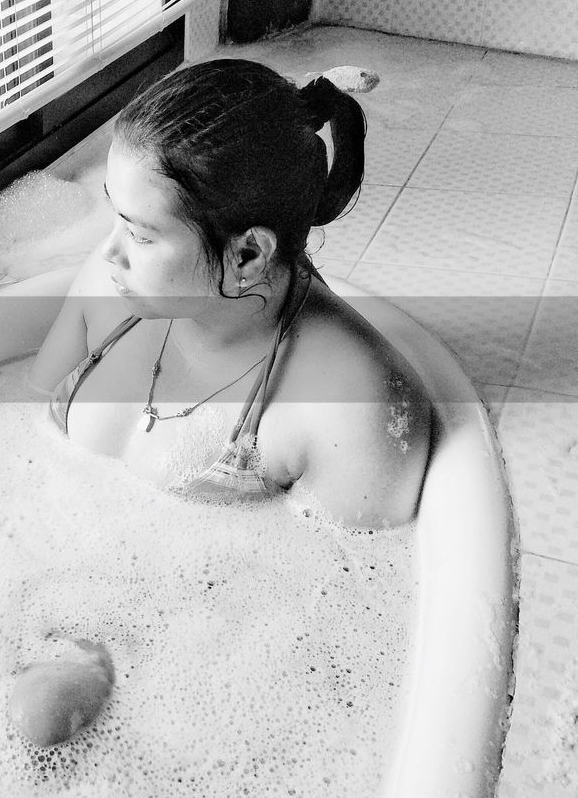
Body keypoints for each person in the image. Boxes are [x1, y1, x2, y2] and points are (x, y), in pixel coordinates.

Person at [27, 59, 430, 529]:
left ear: (247, 256)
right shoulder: (109, 283)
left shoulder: (355, 409)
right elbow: (25, 439)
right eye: (116, 213)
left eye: (140, 234)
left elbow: (347, 578)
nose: (110, 250)